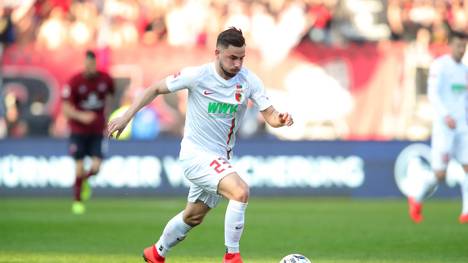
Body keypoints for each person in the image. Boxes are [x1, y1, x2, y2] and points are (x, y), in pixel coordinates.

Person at [107, 27, 293, 263]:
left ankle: (156, 253)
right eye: (232, 58)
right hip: (195, 155)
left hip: (220, 159)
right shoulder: (197, 76)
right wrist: (126, 117)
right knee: (240, 191)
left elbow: (271, 115)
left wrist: (281, 120)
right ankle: (232, 257)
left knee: (193, 217)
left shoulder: (249, 80)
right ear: (217, 53)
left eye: (241, 58)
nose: (237, 64)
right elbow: (155, 89)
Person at [407, 31, 468, 224]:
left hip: (463, 126)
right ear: (450, 45)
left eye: (464, 46)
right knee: (439, 175)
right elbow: (433, 93)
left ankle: (466, 211)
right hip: (444, 127)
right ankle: (416, 197)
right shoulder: (440, 66)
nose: (461, 50)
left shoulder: (465, 70)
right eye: (458, 46)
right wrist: (446, 115)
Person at [62, 50, 114, 215]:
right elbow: (65, 109)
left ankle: (83, 182)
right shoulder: (75, 81)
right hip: (78, 131)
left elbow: (111, 97)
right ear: (84, 64)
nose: (89, 67)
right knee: (78, 167)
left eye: (92, 64)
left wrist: (108, 116)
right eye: (87, 64)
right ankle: (77, 201)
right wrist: (81, 116)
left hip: (97, 131)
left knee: (96, 168)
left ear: (95, 64)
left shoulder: (105, 79)